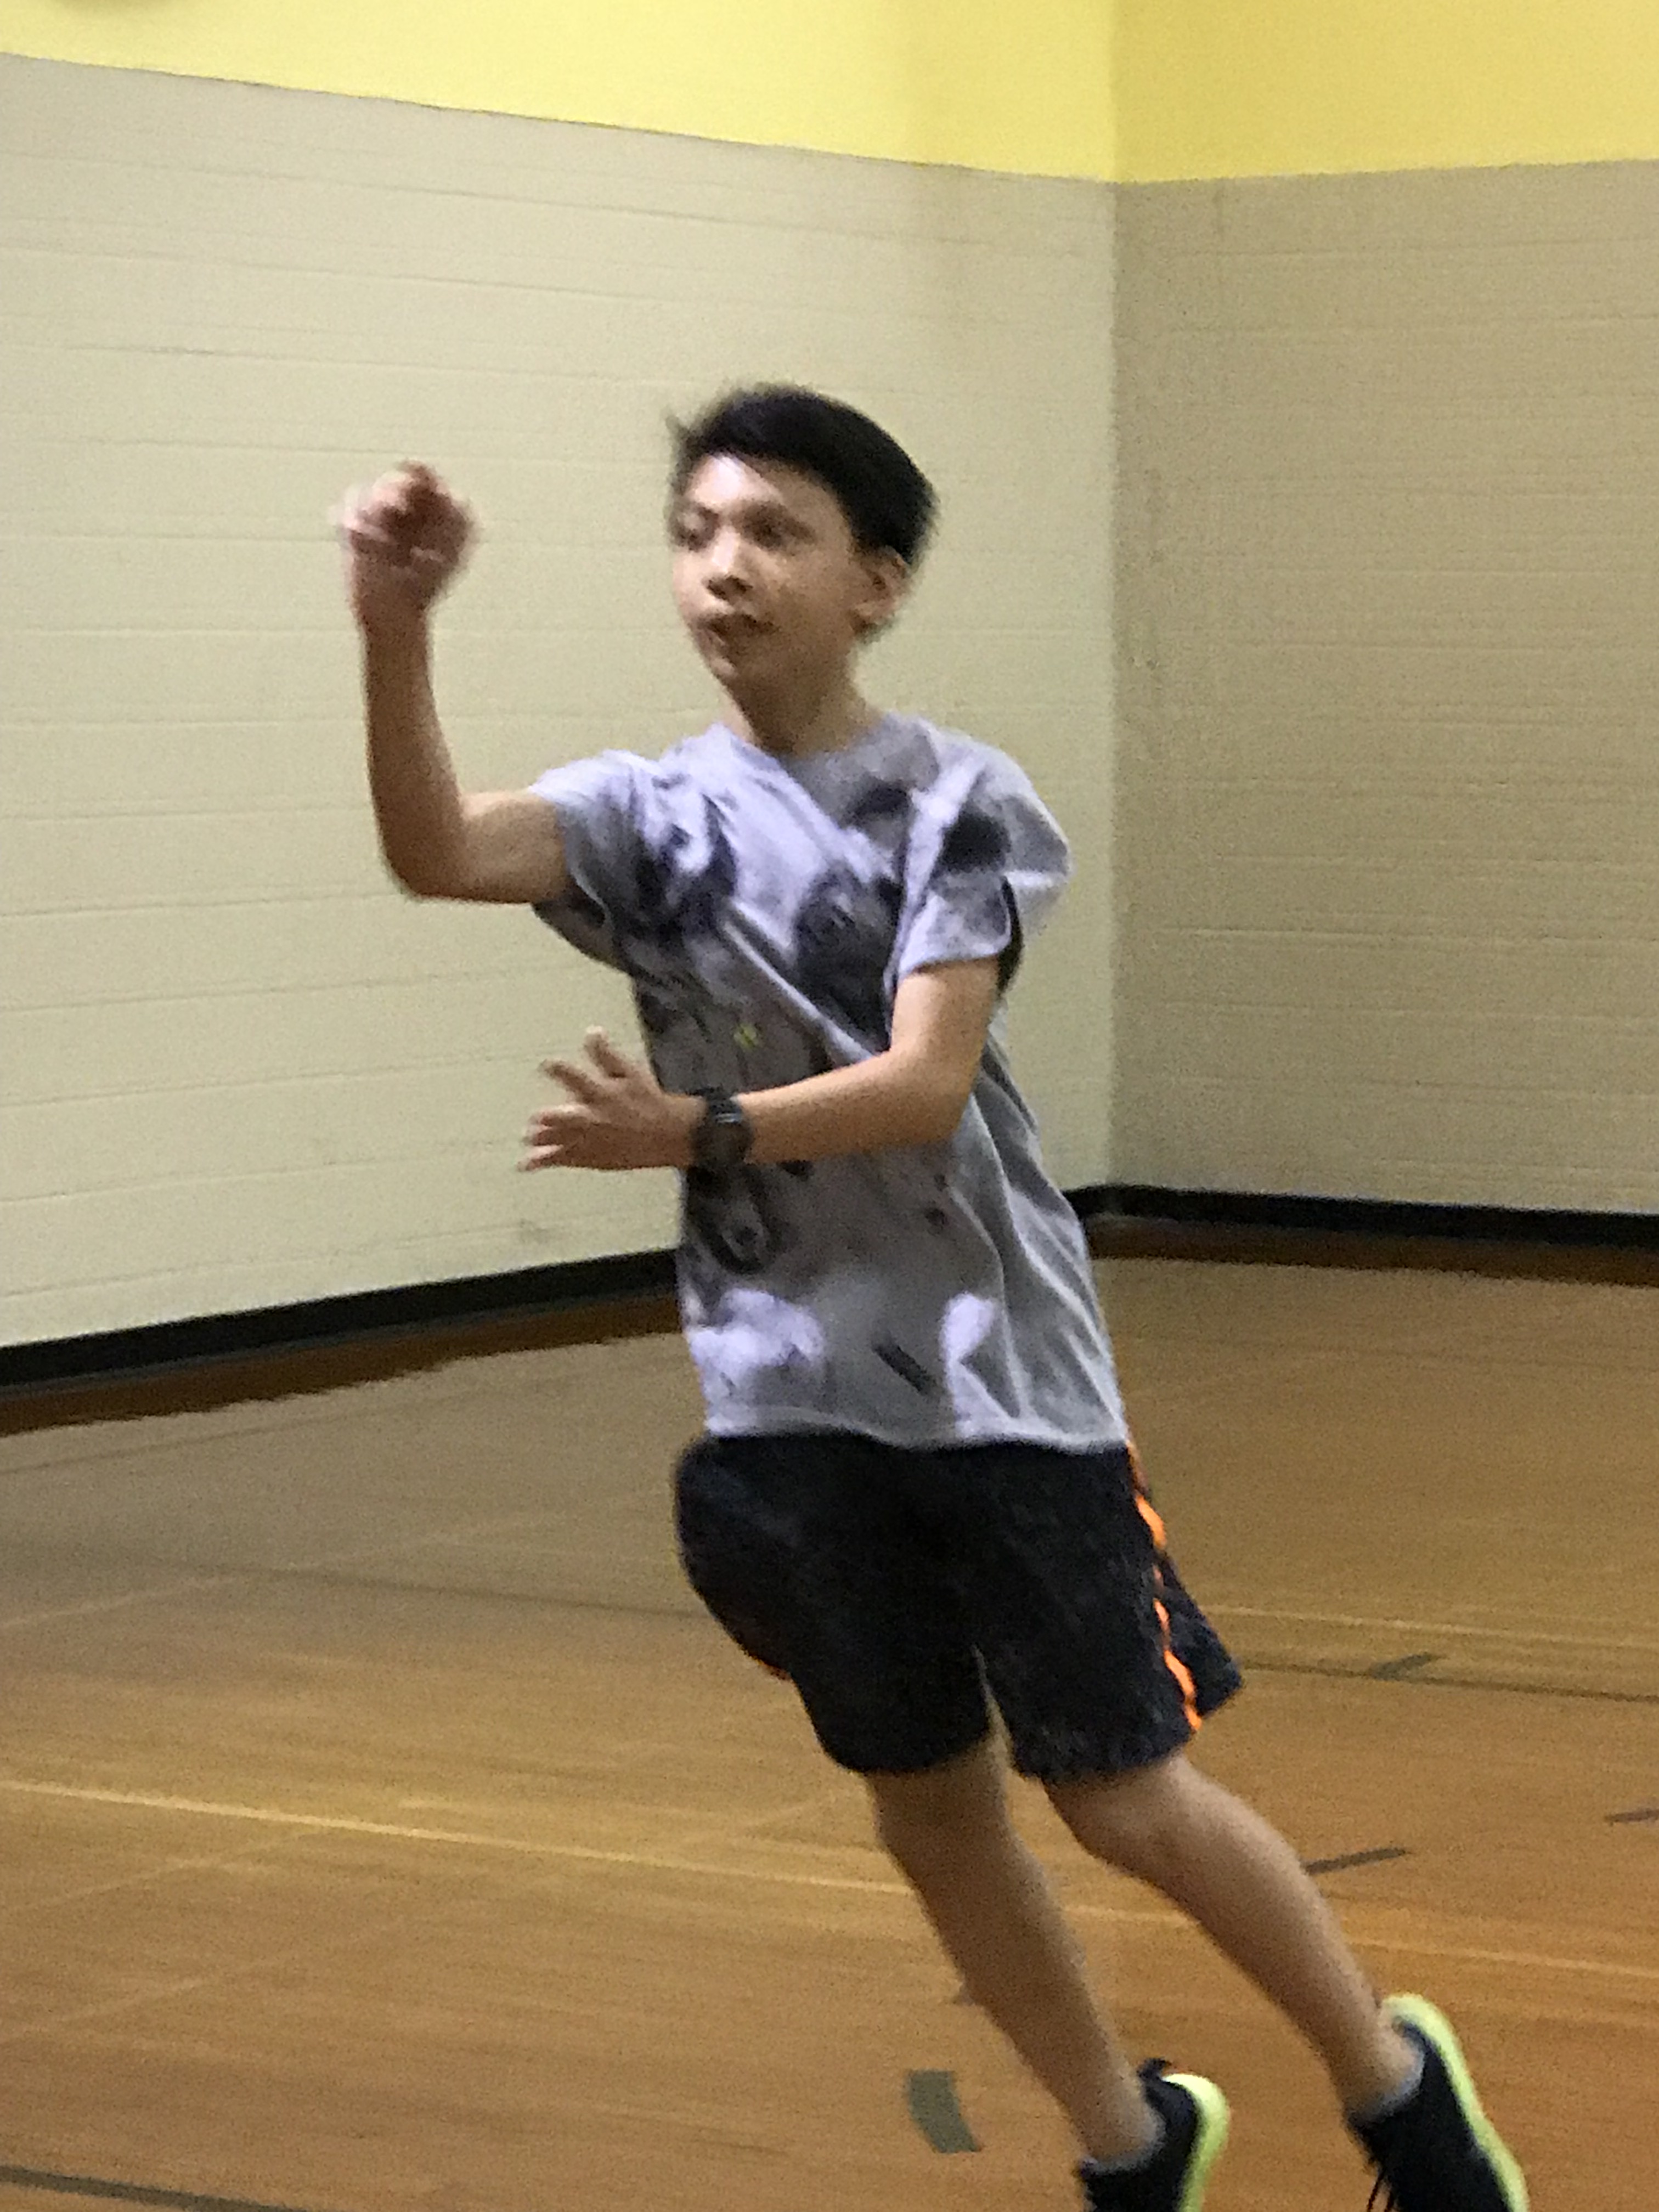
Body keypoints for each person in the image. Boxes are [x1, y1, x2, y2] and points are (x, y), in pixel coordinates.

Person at [335, 387, 1527, 2212]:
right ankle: (1131, 2145)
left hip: (1000, 1386)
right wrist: (394, 627)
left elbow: (923, 1083)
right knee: (930, 1811)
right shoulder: (646, 814)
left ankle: (1397, 2094)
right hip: (785, 1396)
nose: (725, 566)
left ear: (875, 582)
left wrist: (693, 1128)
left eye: (775, 532)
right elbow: (435, 849)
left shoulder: (958, 802)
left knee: (1122, 1800)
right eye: (697, 533)